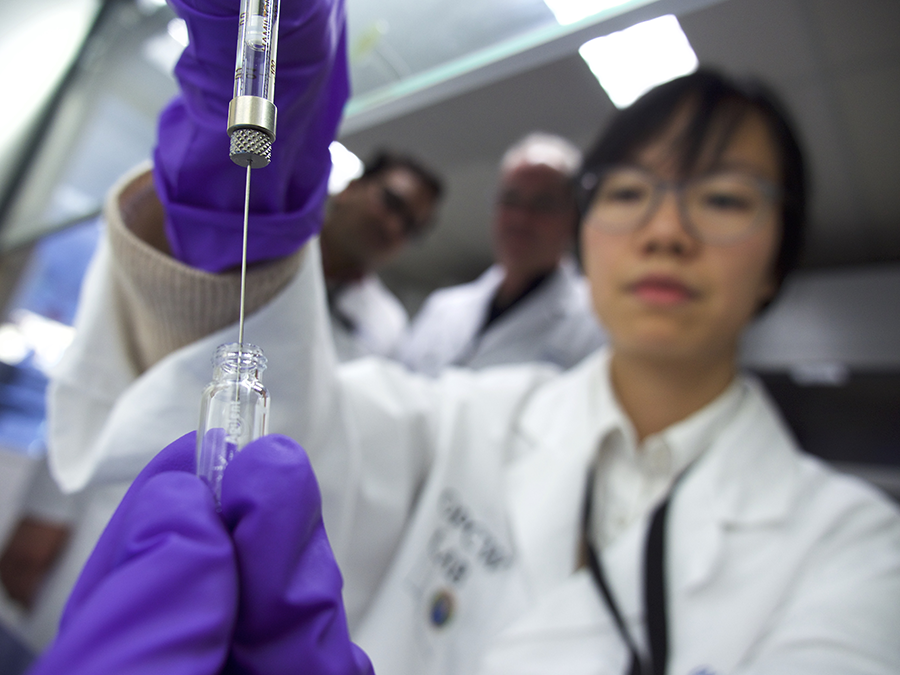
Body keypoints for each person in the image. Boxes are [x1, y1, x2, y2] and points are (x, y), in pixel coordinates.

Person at [34, 0, 900, 671]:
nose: (665, 232)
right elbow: (293, 429)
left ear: (780, 255)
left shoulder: (858, 549)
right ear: (588, 236)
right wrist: (227, 212)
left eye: (721, 199)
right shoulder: (458, 419)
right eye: (632, 193)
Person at [395, 133, 606, 375]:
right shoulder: (442, 308)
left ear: (574, 218)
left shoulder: (596, 319)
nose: (521, 218)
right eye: (510, 199)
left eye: (544, 204)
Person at [322, 151, 443, 361]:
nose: (393, 226)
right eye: (391, 203)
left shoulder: (389, 326)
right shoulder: (262, 254)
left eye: (410, 226)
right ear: (350, 189)